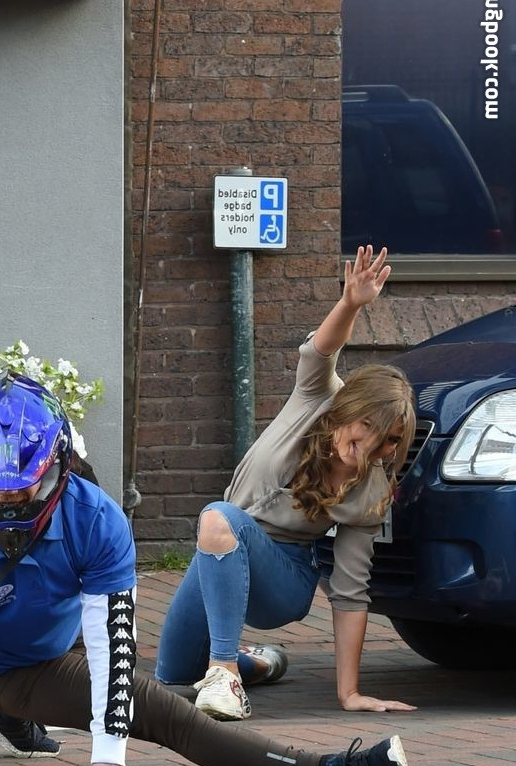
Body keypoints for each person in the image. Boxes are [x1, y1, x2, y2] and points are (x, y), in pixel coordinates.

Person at [0, 374, 410, 766]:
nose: (10, 507)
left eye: (25, 491)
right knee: (165, 711)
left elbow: (112, 652)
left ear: (57, 468)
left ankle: (249, 667)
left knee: (163, 698)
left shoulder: (96, 519)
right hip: (1, 668)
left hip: (62, 641)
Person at [154, 245, 416, 720]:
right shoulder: (317, 397)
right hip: (220, 552)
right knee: (171, 677)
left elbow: (350, 591)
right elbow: (323, 349)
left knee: (218, 516)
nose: (373, 451)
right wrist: (351, 303)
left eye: (388, 444)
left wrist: (349, 694)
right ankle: (253, 663)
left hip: (285, 579)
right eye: (367, 434)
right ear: (348, 412)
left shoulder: (371, 489)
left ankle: (226, 674)